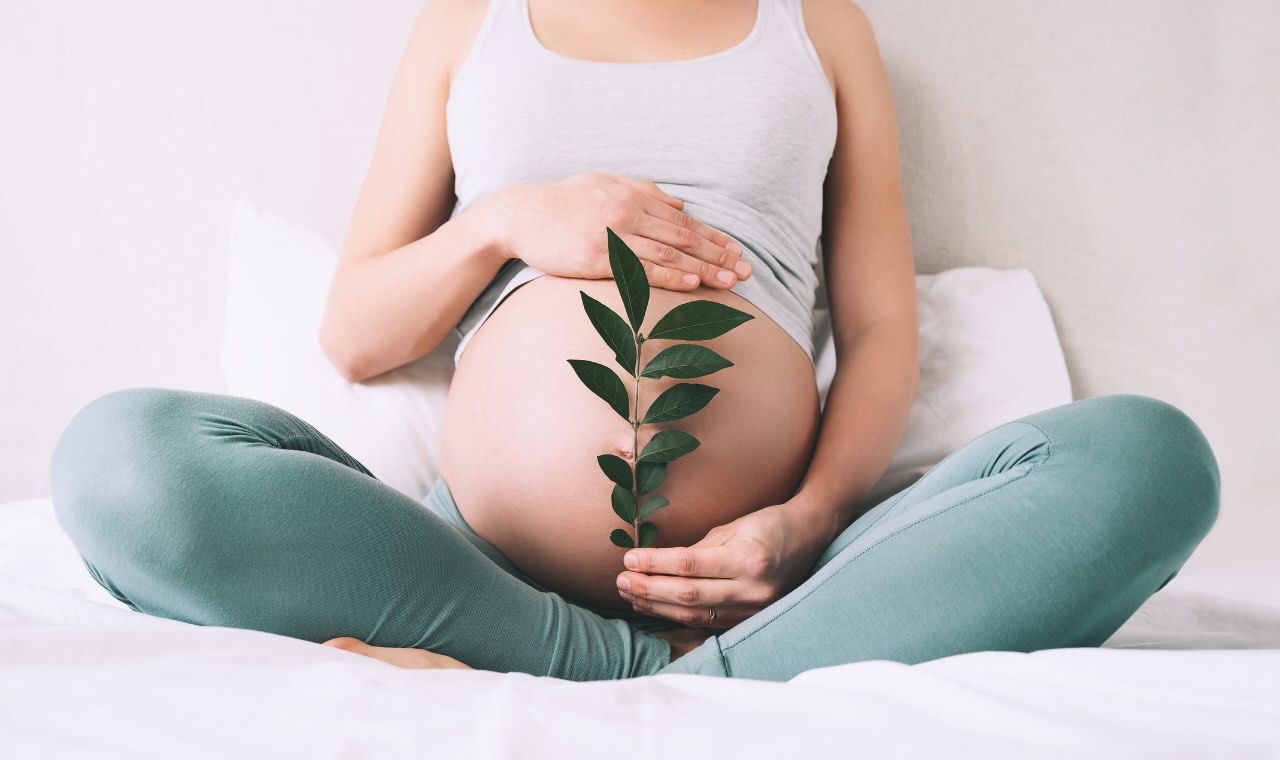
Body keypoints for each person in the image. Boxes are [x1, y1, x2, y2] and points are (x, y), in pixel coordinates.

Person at [49, 0, 1221, 682]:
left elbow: (874, 329)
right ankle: (623, 670)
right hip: (476, 573)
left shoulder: (819, 23)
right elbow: (354, 333)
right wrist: (507, 221)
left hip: (779, 581)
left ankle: (698, 666)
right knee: (117, 459)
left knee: (1149, 457)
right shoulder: (471, 22)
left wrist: (803, 524)